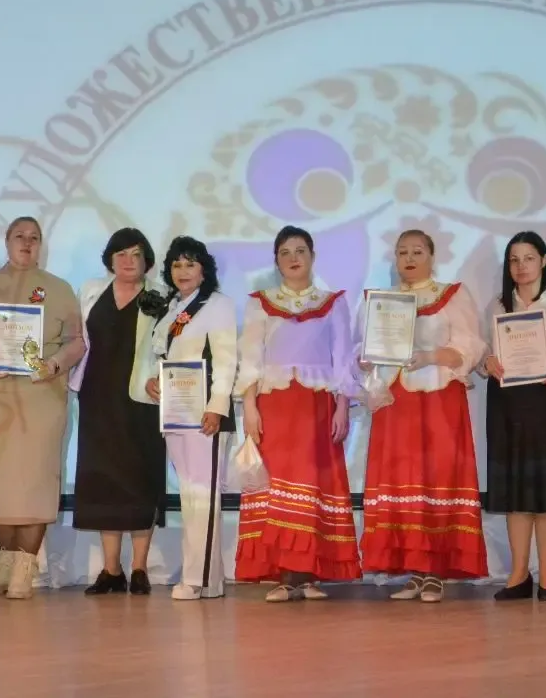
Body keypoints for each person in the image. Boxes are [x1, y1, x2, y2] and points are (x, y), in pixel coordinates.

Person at [0, 217, 84, 599]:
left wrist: (54, 364)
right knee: (0, 484)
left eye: (34, 238)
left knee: (36, 481)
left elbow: (76, 342)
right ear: (6, 242)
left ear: (41, 245)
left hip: (41, 400)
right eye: (19, 236)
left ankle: (26, 569)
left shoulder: (59, 289)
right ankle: (4, 568)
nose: (27, 243)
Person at [357, 229, 487, 602]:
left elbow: (470, 345)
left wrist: (430, 356)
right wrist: (365, 358)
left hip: (438, 399)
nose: (409, 259)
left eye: (417, 251)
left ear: (431, 256)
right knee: (403, 479)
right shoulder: (380, 301)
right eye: (402, 252)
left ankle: (435, 573)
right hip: (395, 401)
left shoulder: (452, 294)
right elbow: (362, 347)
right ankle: (415, 571)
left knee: (437, 477)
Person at [234, 226, 362, 602]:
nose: (294, 258)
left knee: (312, 485)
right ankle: (284, 575)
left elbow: (342, 359)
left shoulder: (332, 302)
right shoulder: (260, 303)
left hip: (316, 407)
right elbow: (251, 359)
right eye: (286, 252)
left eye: (301, 250)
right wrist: (250, 408)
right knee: (277, 488)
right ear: (276, 260)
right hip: (274, 407)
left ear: (313, 257)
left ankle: (308, 575)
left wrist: (342, 407)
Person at [481, 231, 546, 602]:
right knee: (516, 494)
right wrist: (486, 361)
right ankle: (518, 574)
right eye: (514, 260)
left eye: (528, 258)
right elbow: (484, 352)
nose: (521, 266)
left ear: (543, 260)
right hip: (507, 403)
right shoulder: (498, 305)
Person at [137, 236, 240, 600]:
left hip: (205, 414)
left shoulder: (218, 305)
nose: (183, 271)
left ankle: (195, 578)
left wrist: (217, 406)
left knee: (202, 496)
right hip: (176, 413)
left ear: (204, 270)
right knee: (190, 496)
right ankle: (209, 580)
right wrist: (153, 380)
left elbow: (226, 360)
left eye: (190, 264)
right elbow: (163, 356)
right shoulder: (171, 307)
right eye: (177, 265)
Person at [69, 228, 167, 596]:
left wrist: (163, 377)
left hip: (142, 401)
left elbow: (172, 347)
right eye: (121, 254)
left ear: (147, 261)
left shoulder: (162, 295)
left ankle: (139, 567)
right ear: (110, 259)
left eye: (136, 254)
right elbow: (75, 339)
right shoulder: (90, 291)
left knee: (141, 480)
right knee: (103, 481)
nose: (128, 261)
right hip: (97, 398)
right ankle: (111, 569)